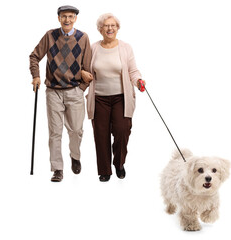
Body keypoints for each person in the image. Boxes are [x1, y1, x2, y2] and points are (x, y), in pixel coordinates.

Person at [29, 5, 93, 182]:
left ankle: (75, 156)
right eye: (64, 16)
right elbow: (34, 56)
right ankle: (57, 168)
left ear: (75, 19)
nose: (67, 20)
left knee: (76, 131)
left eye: (71, 16)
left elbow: (88, 69)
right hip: (53, 92)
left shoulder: (83, 38)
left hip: (74, 91)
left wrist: (81, 88)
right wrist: (36, 76)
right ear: (58, 18)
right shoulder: (50, 36)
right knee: (55, 132)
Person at [85, 13, 145, 182]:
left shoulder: (125, 48)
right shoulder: (93, 48)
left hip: (121, 98)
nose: (110, 28)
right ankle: (104, 171)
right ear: (100, 29)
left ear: (117, 28)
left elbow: (133, 70)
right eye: (106, 25)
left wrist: (138, 80)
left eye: (113, 25)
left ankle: (119, 163)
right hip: (98, 98)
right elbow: (87, 71)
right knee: (100, 134)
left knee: (122, 130)